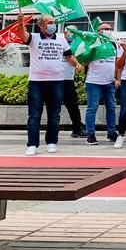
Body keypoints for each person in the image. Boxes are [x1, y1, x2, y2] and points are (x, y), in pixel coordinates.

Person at [20, 14, 80, 156]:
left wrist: (76, 64)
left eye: (53, 22)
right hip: (36, 82)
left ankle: (52, 142)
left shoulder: (61, 39)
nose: (52, 24)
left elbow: (69, 56)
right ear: (41, 25)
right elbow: (22, 34)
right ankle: (32, 144)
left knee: (54, 114)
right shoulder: (33, 38)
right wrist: (21, 23)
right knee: (34, 115)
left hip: (57, 82)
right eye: (49, 22)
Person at [84, 21, 118, 145]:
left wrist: (117, 78)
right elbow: (84, 61)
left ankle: (111, 132)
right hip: (94, 82)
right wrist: (93, 49)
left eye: (109, 29)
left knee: (111, 108)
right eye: (104, 29)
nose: (107, 31)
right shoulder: (91, 43)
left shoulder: (114, 44)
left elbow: (117, 63)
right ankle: (90, 134)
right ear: (98, 31)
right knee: (92, 108)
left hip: (109, 82)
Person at [62, 25, 86, 138]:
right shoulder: (59, 43)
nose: (69, 34)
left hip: (68, 80)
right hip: (55, 79)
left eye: (72, 32)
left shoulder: (77, 46)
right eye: (68, 32)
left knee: (72, 105)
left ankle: (77, 127)